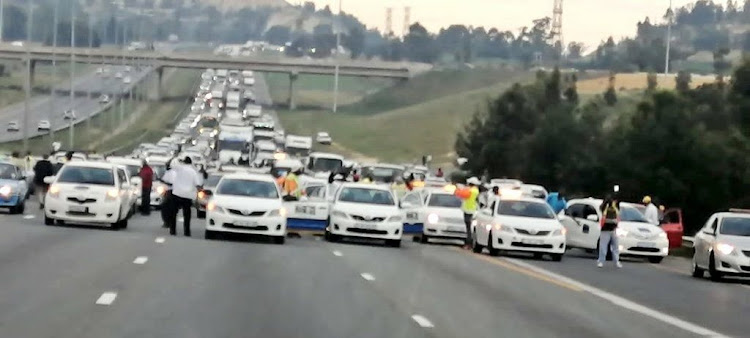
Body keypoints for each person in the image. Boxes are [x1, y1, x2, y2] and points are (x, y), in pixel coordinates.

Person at [162, 157, 203, 236]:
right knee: (187, 214)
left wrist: (175, 157)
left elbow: (169, 165)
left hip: (177, 193)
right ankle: (187, 231)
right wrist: (197, 196)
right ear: (191, 163)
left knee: (174, 213)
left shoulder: (180, 168)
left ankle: (173, 230)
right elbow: (198, 184)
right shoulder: (193, 172)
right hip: (188, 195)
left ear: (184, 162)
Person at [455, 177, 480, 249]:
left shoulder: (471, 190)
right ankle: (469, 243)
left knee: (469, 229)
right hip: (471, 210)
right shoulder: (475, 190)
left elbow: (460, 194)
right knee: (469, 229)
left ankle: (469, 243)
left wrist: (459, 189)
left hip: (468, 211)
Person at [598, 195, 622, 268]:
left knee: (616, 246)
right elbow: (602, 209)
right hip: (605, 230)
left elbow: (618, 214)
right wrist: (607, 203)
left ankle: (616, 261)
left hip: (614, 229)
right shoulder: (605, 207)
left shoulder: (616, 208)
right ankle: (601, 261)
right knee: (603, 246)